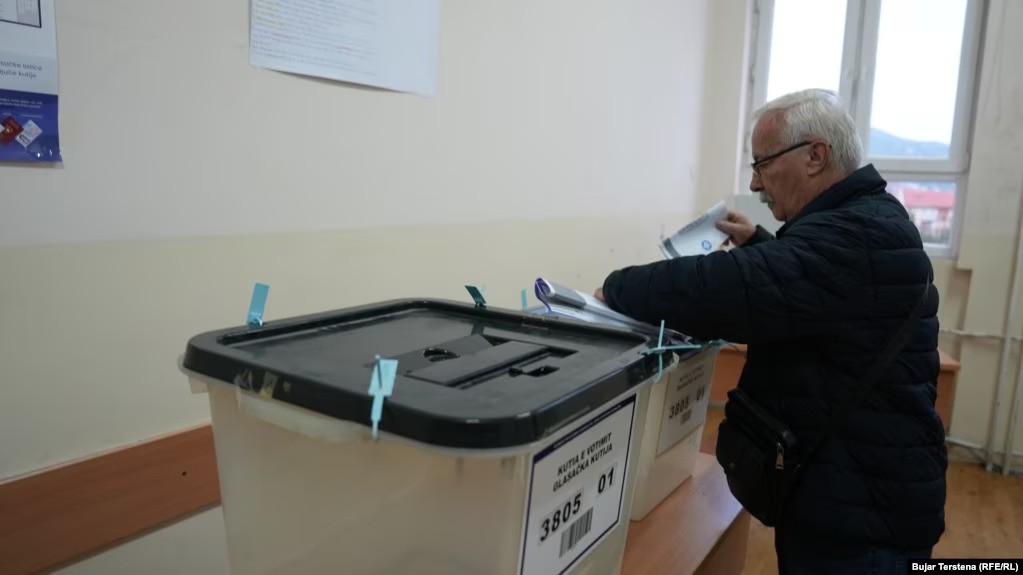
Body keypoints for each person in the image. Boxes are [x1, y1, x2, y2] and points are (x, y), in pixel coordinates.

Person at [595, 88, 947, 574]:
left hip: (861, 522)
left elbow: (729, 288)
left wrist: (616, 287)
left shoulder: (858, 235)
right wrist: (758, 241)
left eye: (762, 164)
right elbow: (807, 283)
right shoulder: (866, 219)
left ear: (815, 156)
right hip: (859, 490)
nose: (756, 183)